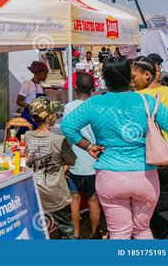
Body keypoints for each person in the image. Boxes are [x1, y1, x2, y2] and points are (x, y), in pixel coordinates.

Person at [61, 57, 168, 240]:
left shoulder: (94, 104)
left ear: (104, 78)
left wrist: (88, 146)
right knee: (142, 230)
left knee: (119, 234)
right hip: (145, 176)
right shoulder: (146, 101)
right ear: (129, 77)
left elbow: (67, 126)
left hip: (110, 176)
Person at [131, 56, 168, 239]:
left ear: (146, 75)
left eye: (133, 76)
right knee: (165, 206)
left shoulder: (136, 97)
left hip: (145, 161)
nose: (131, 80)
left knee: (144, 211)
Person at [25, 97, 76, 239]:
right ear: (49, 116)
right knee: (66, 233)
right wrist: (61, 169)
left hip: (37, 194)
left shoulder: (28, 136)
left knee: (44, 233)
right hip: (57, 196)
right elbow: (71, 161)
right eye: (53, 113)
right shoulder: (59, 140)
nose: (55, 115)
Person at [64, 71, 101, 239]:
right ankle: (95, 233)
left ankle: (76, 234)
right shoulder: (98, 107)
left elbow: (68, 135)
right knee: (94, 200)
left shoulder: (69, 107)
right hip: (95, 161)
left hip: (75, 161)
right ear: (93, 88)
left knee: (75, 198)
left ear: (75, 87)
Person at [16, 61, 49, 130]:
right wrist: (31, 106)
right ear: (37, 73)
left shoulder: (40, 85)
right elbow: (18, 101)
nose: (46, 76)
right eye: (44, 74)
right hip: (28, 116)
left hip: (37, 117)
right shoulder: (27, 85)